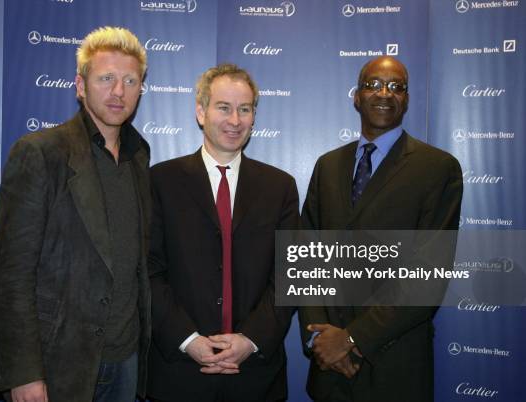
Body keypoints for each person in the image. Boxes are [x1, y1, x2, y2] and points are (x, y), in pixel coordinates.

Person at [0, 26, 151, 402]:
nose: (118, 91)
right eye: (106, 78)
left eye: (130, 80)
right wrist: (25, 374)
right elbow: (10, 275)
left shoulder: (139, 156)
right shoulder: (40, 153)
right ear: (80, 85)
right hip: (58, 364)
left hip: (126, 360)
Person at [299, 56, 463, 402]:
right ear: (356, 97)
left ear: (406, 99)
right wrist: (319, 339)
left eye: (397, 86)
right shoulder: (327, 166)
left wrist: (352, 339)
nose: (384, 93)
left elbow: (428, 277)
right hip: (328, 371)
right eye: (373, 84)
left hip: (395, 370)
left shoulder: (438, 168)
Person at [146, 64, 299, 402]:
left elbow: (289, 276)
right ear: (201, 112)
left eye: (245, 109)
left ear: (254, 117)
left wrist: (250, 340)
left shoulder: (280, 187)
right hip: (179, 374)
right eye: (224, 107)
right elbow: (148, 271)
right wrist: (189, 340)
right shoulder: (160, 181)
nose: (235, 120)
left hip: (256, 376)